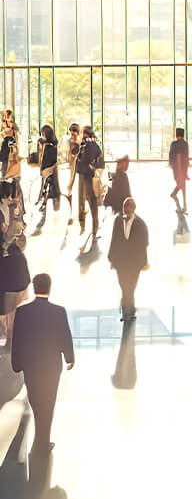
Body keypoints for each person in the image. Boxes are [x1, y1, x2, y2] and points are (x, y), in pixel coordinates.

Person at [10, 274, 74, 464]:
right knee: (49, 398)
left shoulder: (22, 312)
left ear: (34, 286)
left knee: (35, 396)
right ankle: (43, 438)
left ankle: (40, 428)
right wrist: (69, 357)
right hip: (52, 364)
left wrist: (17, 363)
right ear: (50, 287)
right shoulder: (58, 311)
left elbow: (17, 339)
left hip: (31, 363)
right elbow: (65, 335)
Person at [108, 197, 148, 321]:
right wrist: (111, 257)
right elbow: (114, 239)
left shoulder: (140, 223)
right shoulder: (118, 221)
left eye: (129, 207)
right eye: (125, 207)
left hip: (135, 262)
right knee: (124, 285)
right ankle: (128, 310)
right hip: (121, 261)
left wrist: (144, 262)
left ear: (133, 209)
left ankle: (127, 310)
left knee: (130, 286)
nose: (127, 210)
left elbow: (144, 243)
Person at [75, 125, 102, 236]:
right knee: (93, 203)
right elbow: (100, 160)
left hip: (85, 176)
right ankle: (95, 227)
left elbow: (81, 162)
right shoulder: (95, 145)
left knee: (87, 201)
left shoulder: (85, 146)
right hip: (91, 175)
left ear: (85, 134)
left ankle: (86, 226)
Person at [36, 125, 59, 225]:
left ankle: (44, 206)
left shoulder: (48, 146)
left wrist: (43, 170)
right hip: (51, 169)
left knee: (46, 188)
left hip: (47, 170)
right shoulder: (53, 144)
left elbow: (44, 159)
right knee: (48, 188)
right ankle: (44, 204)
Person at [168, 127, 189, 212]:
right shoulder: (185, 143)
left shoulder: (174, 144)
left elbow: (178, 156)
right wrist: (185, 172)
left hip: (177, 168)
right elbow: (186, 157)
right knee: (182, 185)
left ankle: (180, 204)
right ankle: (183, 204)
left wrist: (179, 170)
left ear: (176, 135)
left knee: (181, 184)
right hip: (183, 168)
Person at [63, 123, 80, 223]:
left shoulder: (80, 141)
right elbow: (68, 154)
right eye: (71, 132)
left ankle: (77, 211)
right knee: (70, 186)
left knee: (76, 187)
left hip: (78, 167)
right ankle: (71, 212)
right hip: (72, 166)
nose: (72, 135)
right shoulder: (69, 141)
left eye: (74, 132)